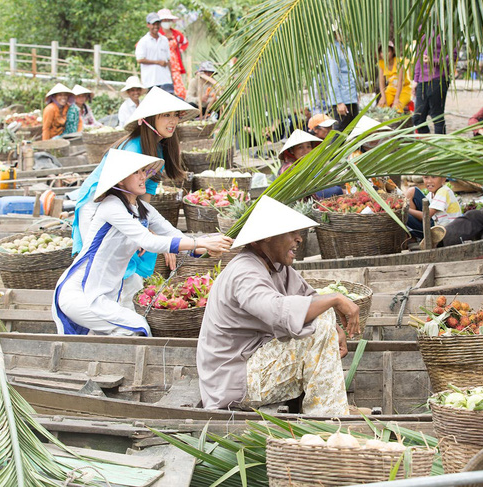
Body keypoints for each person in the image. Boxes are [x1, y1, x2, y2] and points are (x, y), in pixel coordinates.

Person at [197, 196, 360, 414]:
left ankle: (329, 407)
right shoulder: (244, 272)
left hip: (254, 363)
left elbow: (308, 297)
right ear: (264, 239)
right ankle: (329, 417)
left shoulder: (276, 267)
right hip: (234, 382)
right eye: (290, 233)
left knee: (322, 317)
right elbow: (278, 312)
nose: (299, 239)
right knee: (319, 326)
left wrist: (336, 327)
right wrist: (336, 299)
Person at [53, 149, 232, 336]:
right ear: (120, 179)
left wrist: (207, 245)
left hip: (106, 295)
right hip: (80, 293)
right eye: (136, 172)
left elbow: (175, 234)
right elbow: (149, 241)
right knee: (138, 328)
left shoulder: (142, 208)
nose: (143, 177)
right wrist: (199, 244)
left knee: (123, 334)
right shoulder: (111, 206)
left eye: (143, 172)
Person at [71, 87, 197, 301]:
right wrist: (152, 237)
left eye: (175, 115)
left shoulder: (157, 148)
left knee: (130, 258)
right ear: (148, 119)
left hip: (126, 204)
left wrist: (152, 233)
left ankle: (121, 305)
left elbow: (144, 198)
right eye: (166, 115)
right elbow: (123, 195)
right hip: (98, 202)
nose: (173, 120)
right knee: (100, 258)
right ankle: (86, 306)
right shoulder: (134, 149)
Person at [405, 175, 462, 245]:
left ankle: (415, 236)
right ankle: (414, 236)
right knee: (412, 191)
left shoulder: (443, 191)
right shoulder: (432, 194)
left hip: (442, 233)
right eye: (426, 177)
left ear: (443, 179)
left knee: (403, 214)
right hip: (434, 223)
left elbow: (425, 216)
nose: (429, 181)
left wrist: (406, 209)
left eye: (434, 177)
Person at [413, 34, 453, 133]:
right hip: (422, 80)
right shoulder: (422, 29)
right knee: (417, 118)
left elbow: (452, 56)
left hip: (438, 78)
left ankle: (440, 144)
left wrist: (434, 61)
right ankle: (429, 142)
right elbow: (419, 57)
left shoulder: (446, 28)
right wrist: (415, 80)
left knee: (437, 116)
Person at [326, 31, 359, 131]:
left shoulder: (346, 48)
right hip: (343, 100)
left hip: (351, 97)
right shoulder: (334, 50)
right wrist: (338, 102)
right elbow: (333, 77)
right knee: (339, 133)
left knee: (354, 132)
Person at [135, 12, 173, 93]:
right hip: (151, 80)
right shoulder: (143, 41)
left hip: (165, 79)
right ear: (148, 25)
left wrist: (171, 78)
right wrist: (157, 62)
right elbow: (140, 59)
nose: (156, 26)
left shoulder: (164, 40)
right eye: (153, 24)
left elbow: (168, 60)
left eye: (157, 24)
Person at [157, 8, 188, 100]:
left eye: (168, 20)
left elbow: (185, 42)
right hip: (162, 66)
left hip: (174, 65)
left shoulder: (176, 34)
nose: (167, 22)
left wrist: (180, 50)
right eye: (164, 20)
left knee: (180, 91)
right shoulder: (157, 34)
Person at [377, 41, 412, 112]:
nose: (385, 54)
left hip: (404, 90)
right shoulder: (381, 64)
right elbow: (381, 82)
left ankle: (404, 120)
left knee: (396, 109)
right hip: (390, 90)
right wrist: (383, 97)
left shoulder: (399, 62)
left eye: (388, 51)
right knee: (380, 107)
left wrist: (396, 98)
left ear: (393, 52)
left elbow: (400, 82)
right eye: (382, 52)